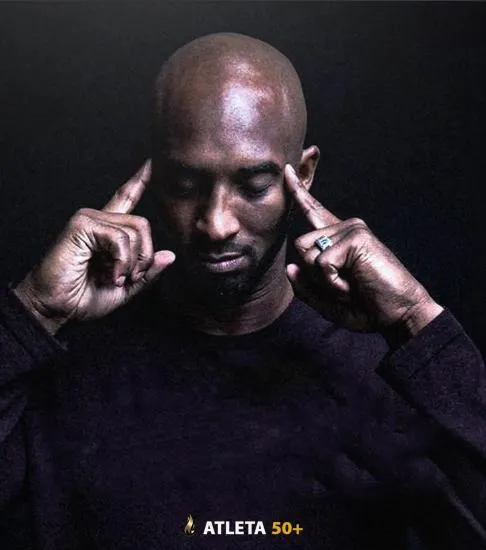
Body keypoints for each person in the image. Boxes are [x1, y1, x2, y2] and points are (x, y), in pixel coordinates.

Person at [0, 32, 484, 550]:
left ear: (305, 173)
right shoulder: (61, 366)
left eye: (253, 186)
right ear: (154, 175)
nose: (215, 224)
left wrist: (417, 318)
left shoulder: (392, 373)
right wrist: (30, 312)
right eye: (185, 185)